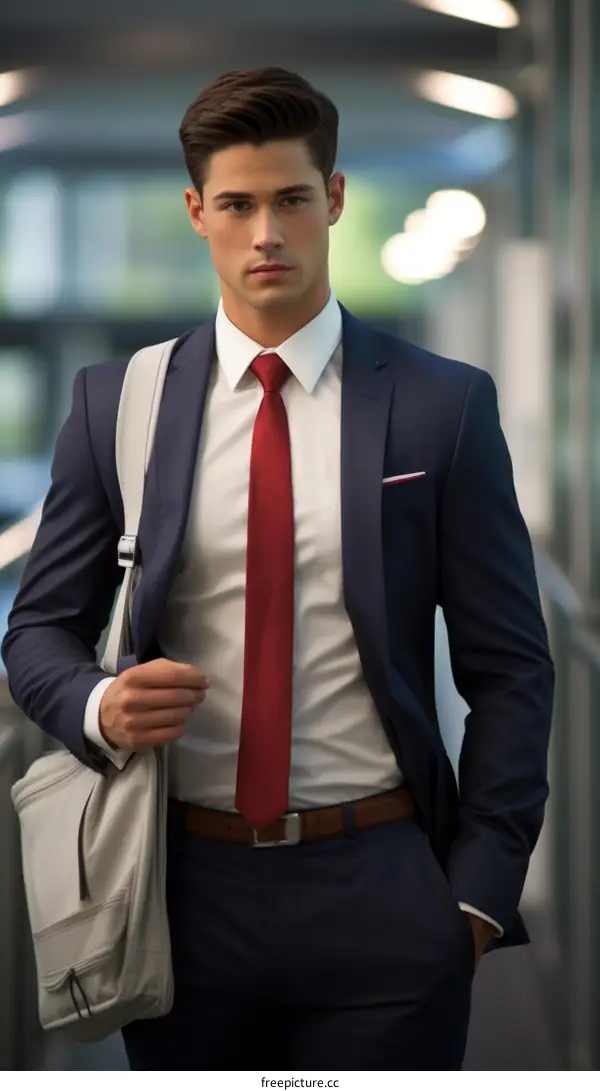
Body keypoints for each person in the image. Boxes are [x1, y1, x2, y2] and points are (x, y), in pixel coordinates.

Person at [1, 66, 554, 1071]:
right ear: (196, 212)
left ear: (333, 198)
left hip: (386, 880)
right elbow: (36, 630)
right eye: (239, 204)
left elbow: (511, 665)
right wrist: (97, 704)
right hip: (180, 891)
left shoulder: (443, 404)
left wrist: (478, 889)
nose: (267, 233)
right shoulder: (113, 403)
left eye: (292, 199)